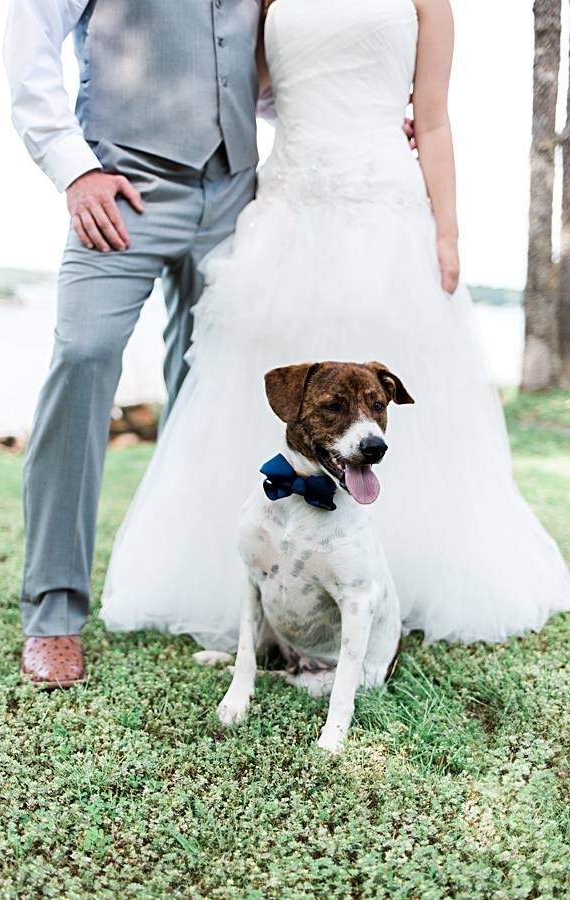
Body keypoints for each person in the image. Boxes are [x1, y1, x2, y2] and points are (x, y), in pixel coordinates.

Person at [101, 0, 570, 650]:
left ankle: (402, 575)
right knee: (269, 389)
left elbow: (432, 121)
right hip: (288, 213)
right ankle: (257, 577)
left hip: (386, 215)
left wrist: (449, 231)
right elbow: (242, 89)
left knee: (388, 400)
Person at [4, 0, 261, 687]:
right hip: (123, 185)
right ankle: (53, 613)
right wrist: (72, 166)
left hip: (238, 190)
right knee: (83, 356)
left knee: (214, 385)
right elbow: (31, 37)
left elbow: (248, 71)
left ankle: (193, 582)